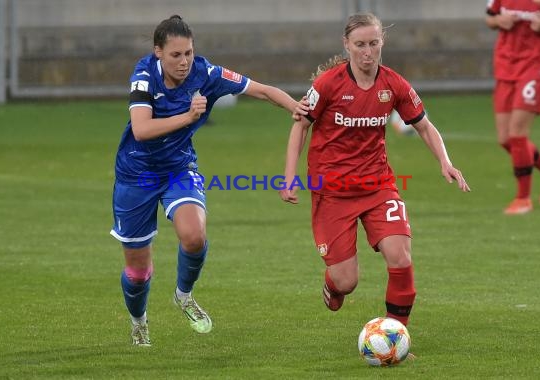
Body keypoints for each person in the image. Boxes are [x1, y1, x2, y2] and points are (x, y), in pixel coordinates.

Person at [110, 15, 307, 346]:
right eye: (176, 55)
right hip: (136, 174)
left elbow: (262, 90)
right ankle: (139, 320)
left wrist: (297, 109)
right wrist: (188, 116)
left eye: (188, 52)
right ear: (158, 52)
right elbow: (142, 130)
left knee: (194, 236)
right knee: (138, 271)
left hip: (178, 169)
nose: (184, 61)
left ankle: (183, 295)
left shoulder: (206, 73)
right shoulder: (144, 76)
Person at [279, 12, 470, 328]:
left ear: (383, 43)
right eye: (359, 45)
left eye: (373, 43)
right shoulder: (327, 84)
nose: (367, 52)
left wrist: (445, 161)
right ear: (346, 45)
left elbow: (424, 126)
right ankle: (334, 284)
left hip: (378, 185)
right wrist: (289, 177)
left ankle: (397, 336)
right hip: (332, 191)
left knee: (400, 256)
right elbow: (300, 127)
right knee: (347, 281)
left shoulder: (393, 83)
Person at [486, 0, 540, 215]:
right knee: (505, 139)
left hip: (535, 64)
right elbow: (490, 18)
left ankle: (523, 199)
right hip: (505, 64)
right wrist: (498, 20)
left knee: (517, 134)